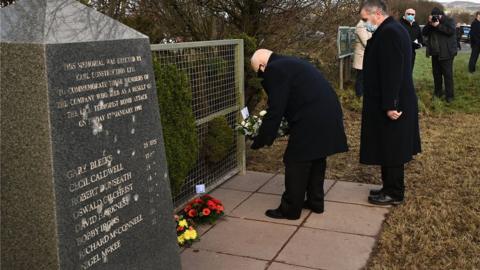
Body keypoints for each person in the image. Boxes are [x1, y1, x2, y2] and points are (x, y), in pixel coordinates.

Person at [250, 49, 348, 220]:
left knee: (296, 161)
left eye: (259, 72)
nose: (262, 76)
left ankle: (290, 209)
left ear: (261, 66)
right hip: (328, 113)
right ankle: (315, 201)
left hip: (312, 118)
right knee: (316, 158)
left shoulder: (275, 69)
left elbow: (276, 107)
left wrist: (264, 137)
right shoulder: (290, 62)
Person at [360, 0, 421, 205]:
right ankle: (388, 187)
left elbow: (392, 72)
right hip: (391, 99)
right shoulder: (391, 29)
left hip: (395, 102)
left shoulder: (390, 32)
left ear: (376, 13)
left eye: (365, 18)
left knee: (393, 148)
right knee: (388, 145)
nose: (364, 22)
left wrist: (390, 104)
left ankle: (394, 192)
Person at [422, 7, 458, 103]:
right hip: (435, 53)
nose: (436, 17)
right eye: (434, 16)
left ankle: (449, 96)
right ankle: (438, 93)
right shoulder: (431, 23)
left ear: (441, 15)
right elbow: (424, 32)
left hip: (447, 53)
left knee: (447, 75)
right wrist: (430, 23)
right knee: (436, 74)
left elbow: (450, 31)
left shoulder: (449, 20)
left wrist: (438, 25)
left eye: (437, 15)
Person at [353, 16, 372, 97]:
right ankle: (359, 95)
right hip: (361, 56)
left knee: (364, 76)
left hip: (365, 55)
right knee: (361, 77)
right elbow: (366, 42)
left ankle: (363, 93)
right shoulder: (361, 26)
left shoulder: (366, 25)